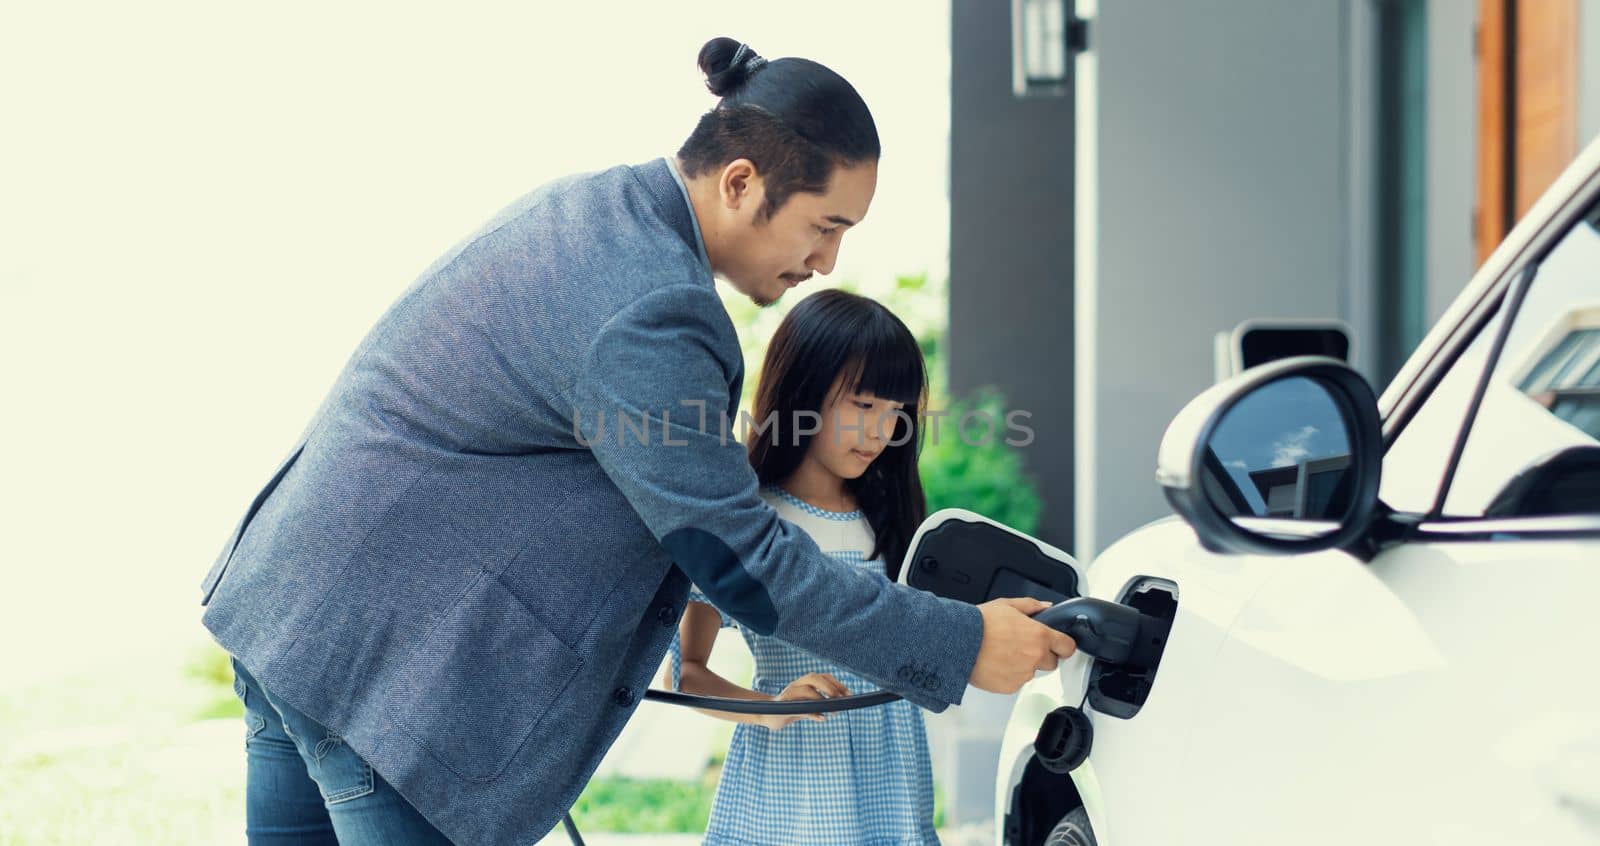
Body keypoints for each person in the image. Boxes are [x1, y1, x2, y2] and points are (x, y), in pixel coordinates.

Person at [200, 37, 1076, 846]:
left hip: (299, 618)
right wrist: (963, 642)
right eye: (826, 226)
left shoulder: (594, 214)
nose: (828, 265)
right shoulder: (652, 307)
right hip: (393, 679)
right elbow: (740, 565)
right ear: (740, 183)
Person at [670, 289, 945, 845]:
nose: (881, 432)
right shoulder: (751, 525)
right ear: (803, 392)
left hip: (888, 773)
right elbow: (684, 675)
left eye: (896, 413)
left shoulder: (892, 521)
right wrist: (771, 709)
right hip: (792, 782)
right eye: (864, 406)